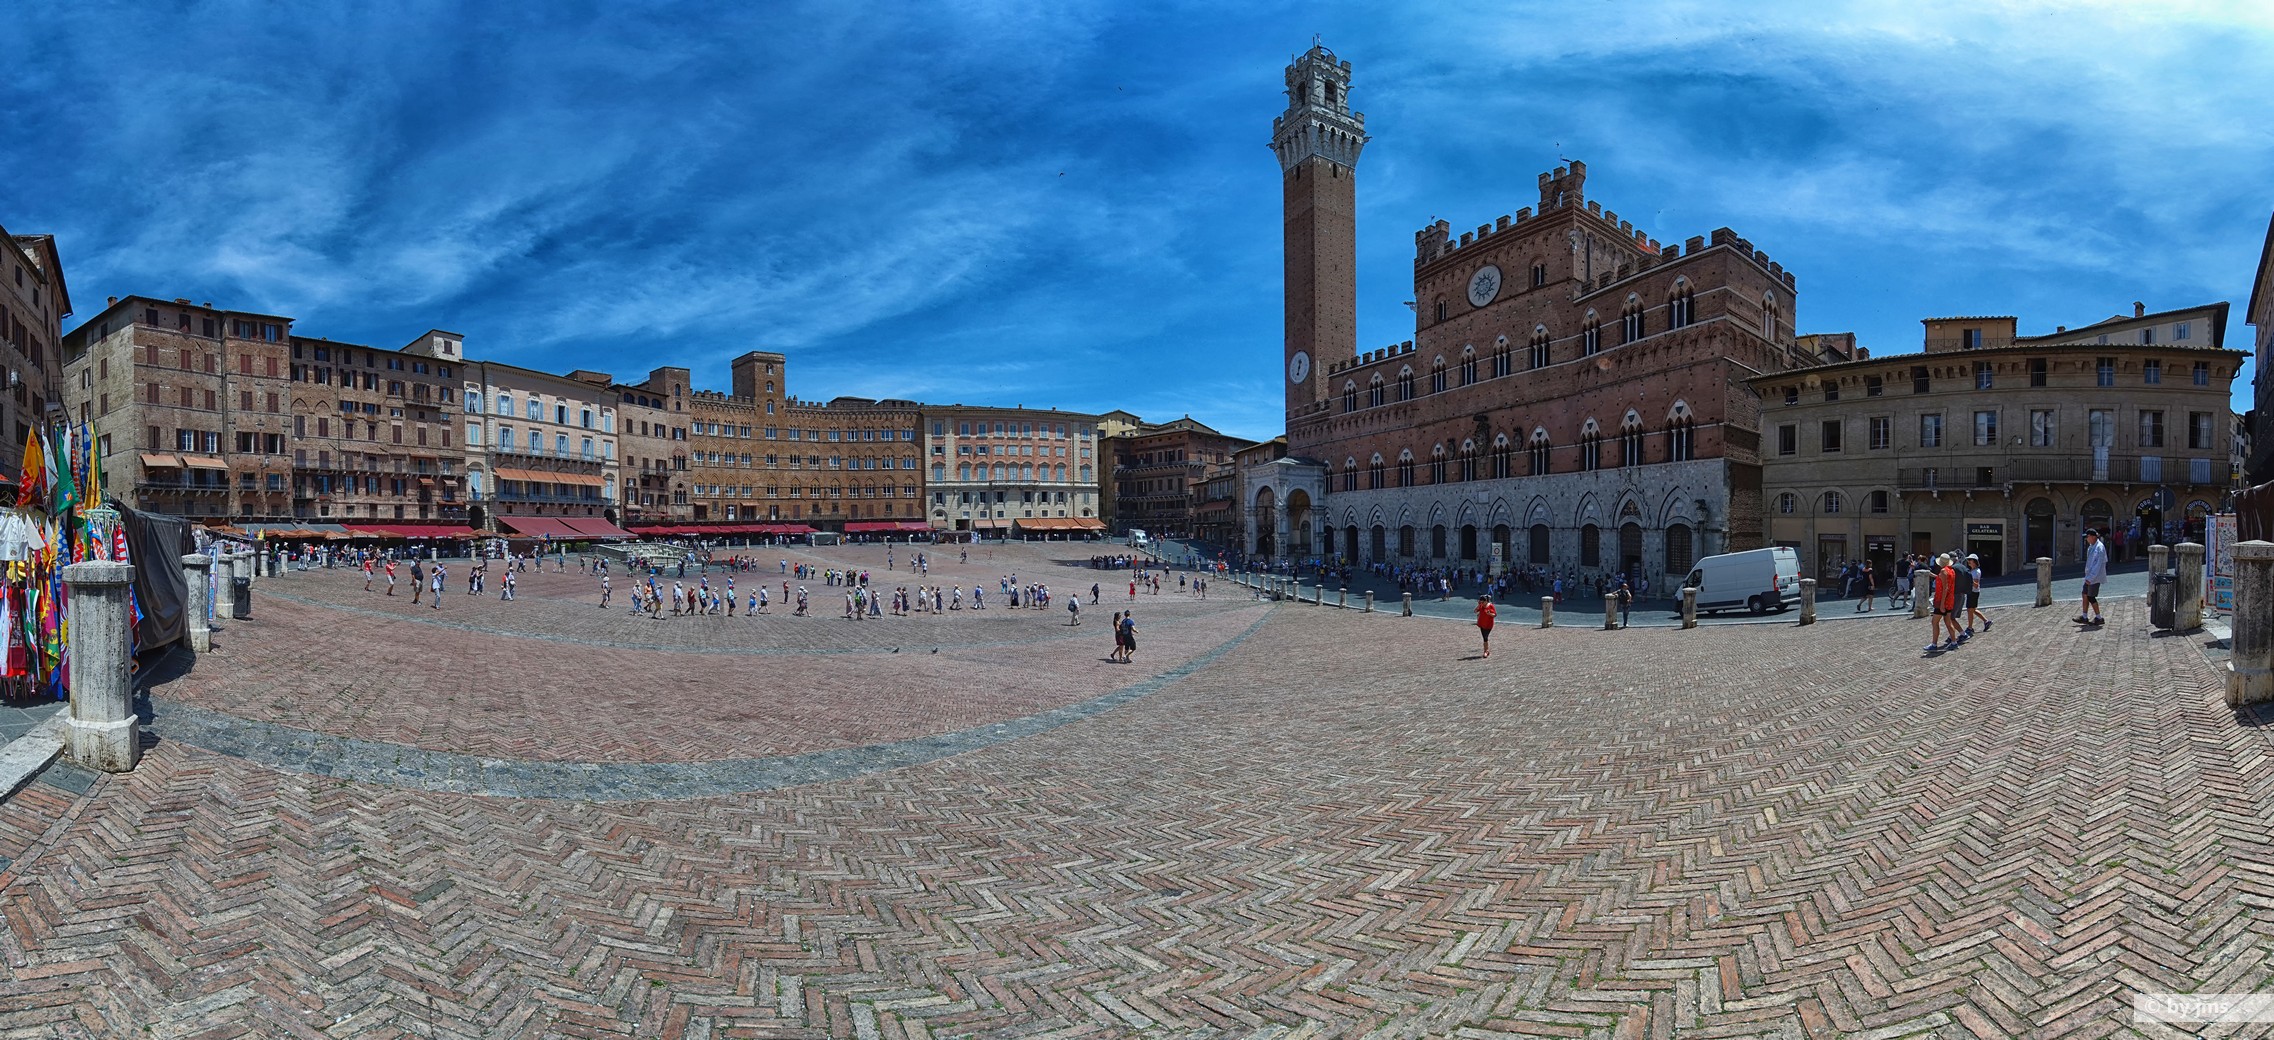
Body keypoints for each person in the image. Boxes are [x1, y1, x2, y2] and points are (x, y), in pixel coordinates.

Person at [2077, 528, 2108, 625]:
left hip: (2094, 577)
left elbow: (2097, 565)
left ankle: (2099, 618)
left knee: (2091, 597)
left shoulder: (2099, 548)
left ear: (2093, 537)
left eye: (2087, 537)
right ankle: (2084, 616)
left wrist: (2090, 578)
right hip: (2089, 576)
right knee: (2084, 594)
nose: (2086, 539)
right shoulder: (2091, 547)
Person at [1963, 553, 1991, 635]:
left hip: (1973, 592)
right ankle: (1986, 621)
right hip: (1972, 592)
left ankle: (1970, 627)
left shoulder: (1975, 572)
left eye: (1970, 560)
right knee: (1973, 610)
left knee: (1970, 610)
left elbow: (1976, 584)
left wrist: (1968, 580)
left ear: (1974, 561)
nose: (1968, 561)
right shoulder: (1973, 571)